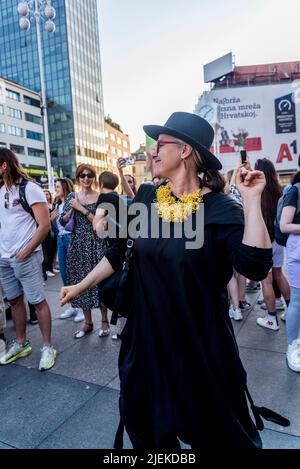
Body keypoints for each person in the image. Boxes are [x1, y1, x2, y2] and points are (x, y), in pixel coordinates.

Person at [61, 112, 274, 449]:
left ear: (185, 150)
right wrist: (80, 286)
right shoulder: (148, 197)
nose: (152, 153)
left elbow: (256, 265)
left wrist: (251, 201)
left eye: (160, 145)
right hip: (145, 342)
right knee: (146, 430)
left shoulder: (221, 209)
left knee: (216, 434)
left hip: (198, 343)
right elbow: (117, 253)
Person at [0, 148, 56, 371]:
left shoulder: (30, 189)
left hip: (26, 256)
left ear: (4, 165)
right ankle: (22, 343)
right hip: (4, 258)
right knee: (14, 301)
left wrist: (26, 250)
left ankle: (47, 347)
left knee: (37, 301)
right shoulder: (1, 190)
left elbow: (45, 226)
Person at [59, 164, 107, 338]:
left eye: (89, 176)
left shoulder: (101, 197)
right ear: (78, 178)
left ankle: (104, 321)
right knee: (80, 282)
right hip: (78, 245)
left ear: (94, 178)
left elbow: (101, 224)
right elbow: (63, 222)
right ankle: (87, 323)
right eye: (82, 176)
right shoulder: (72, 196)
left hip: (97, 244)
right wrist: (71, 209)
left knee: (100, 283)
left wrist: (81, 209)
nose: (86, 179)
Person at [254, 159, 290, 331]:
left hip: (262, 240)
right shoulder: (280, 191)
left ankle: (271, 318)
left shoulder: (256, 192)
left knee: (266, 282)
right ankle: (292, 311)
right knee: (279, 275)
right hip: (277, 239)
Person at [280, 170, 300, 371]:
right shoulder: (295, 190)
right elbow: (285, 225)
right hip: (298, 251)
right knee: (298, 299)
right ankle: (293, 346)